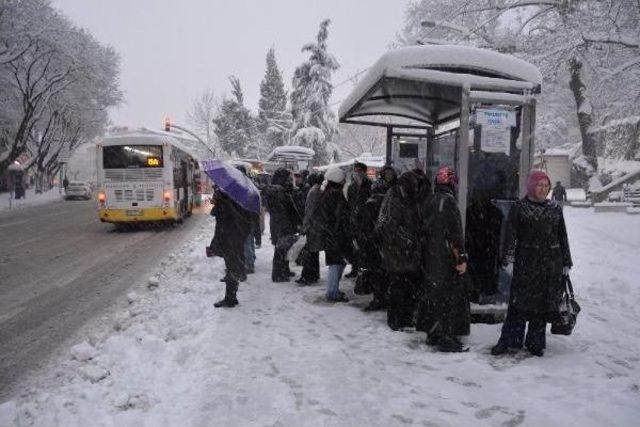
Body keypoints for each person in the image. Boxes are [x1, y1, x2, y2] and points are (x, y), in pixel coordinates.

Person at [491, 170, 573, 357]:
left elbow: (562, 236)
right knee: (518, 305)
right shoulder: (520, 207)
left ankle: (535, 343)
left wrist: (566, 262)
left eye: (546, 186)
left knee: (541, 307)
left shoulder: (555, 208)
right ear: (531, 186)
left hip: (549, 264)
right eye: (539, 185)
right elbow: (510, 236)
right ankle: (511, 340)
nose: (543, 189)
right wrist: (509, 260)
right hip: (525, 263)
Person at [418, 166, 471, 352]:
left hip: (430, 258)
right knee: (448, 298)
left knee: (434, 296)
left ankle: (433, 333)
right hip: (445, 259)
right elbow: (455, 234)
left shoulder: (430, 200)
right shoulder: (449, 203)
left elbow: (423, 229)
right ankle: (446, 337)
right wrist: (461, 259)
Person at [377, 171, 422, 330]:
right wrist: (410, 240)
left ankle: (400, 318)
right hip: (399, 253)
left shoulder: (400, 197)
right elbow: (393, 227)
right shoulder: (398, 199)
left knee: (401, 287)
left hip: (398, 253)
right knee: (400, 287)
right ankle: (398, 319)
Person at [308, 167, 351, 302]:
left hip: (329, 234)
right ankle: (332, 292)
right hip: (336, 234)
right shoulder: (335, 195)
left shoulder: (324, 193)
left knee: (336, 262)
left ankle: (333, 290)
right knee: (336, 262)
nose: (345, 181)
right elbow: (340, 216)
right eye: (343, 179)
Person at [208, 189, 252, 308]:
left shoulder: (226, 204)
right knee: (234, 267)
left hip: (230, 241)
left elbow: (217, 215)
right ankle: (232, 296)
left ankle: (230, 299)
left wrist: (217, 202)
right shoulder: (239, 200)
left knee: (231, 268)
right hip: (236, 239)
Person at [262, 168, 299, 282]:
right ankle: (278, 275)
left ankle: (285, 270)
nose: (289, 180)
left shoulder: (279, 190)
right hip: (282, 225)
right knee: (280, 251)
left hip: (281, 224)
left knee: (284, 249)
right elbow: (282, 211)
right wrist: (287, 226)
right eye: (287, 178)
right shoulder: (277, 192)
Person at [345, 162, 372, 278]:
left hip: (366, 221)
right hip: (354, 220)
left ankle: (365, 270)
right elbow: (349, 202)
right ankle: (355, 268)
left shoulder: (370, 185)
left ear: (364, 172)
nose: (357, 173)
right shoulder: (351, 187)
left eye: (359, 171)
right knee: (354, 246)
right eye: (355, 171)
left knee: (365, 246)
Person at [297, 172, 324, 285]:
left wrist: (304, 226)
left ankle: (307, 276)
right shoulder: (320, 190)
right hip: (318, 225)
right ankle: (314, 275)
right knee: (314, 252)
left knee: (309, 252)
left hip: (312, 226)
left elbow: (309, 211)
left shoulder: (313, 192)